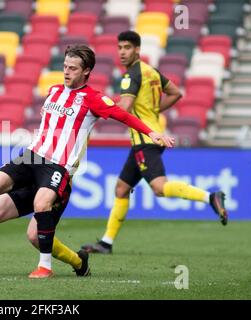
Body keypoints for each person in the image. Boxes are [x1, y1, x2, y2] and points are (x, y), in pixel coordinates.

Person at [0, 44, 174, 278]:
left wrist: (151, 132)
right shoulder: (53, 91)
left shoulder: (93, 99)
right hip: (32, 157)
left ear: (86, 72)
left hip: (57, 167)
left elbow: (123, 115)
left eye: (73, 68)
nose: (66, 72)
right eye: (65, 66)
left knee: (34, 231)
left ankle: (55, 265)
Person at [81, 31, 228, 255]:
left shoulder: (131, 75)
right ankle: (106, 243)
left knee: (159, 188)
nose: (122, 52)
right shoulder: (151, 71)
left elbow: (126, 109)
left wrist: (98, 108)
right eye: (119, 47)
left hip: (144, 140)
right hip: (151, 136)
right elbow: (175, 92)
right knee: (121, 188)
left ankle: (210, 197)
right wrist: (153, 111)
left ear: (137, 49)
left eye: (127, 48)